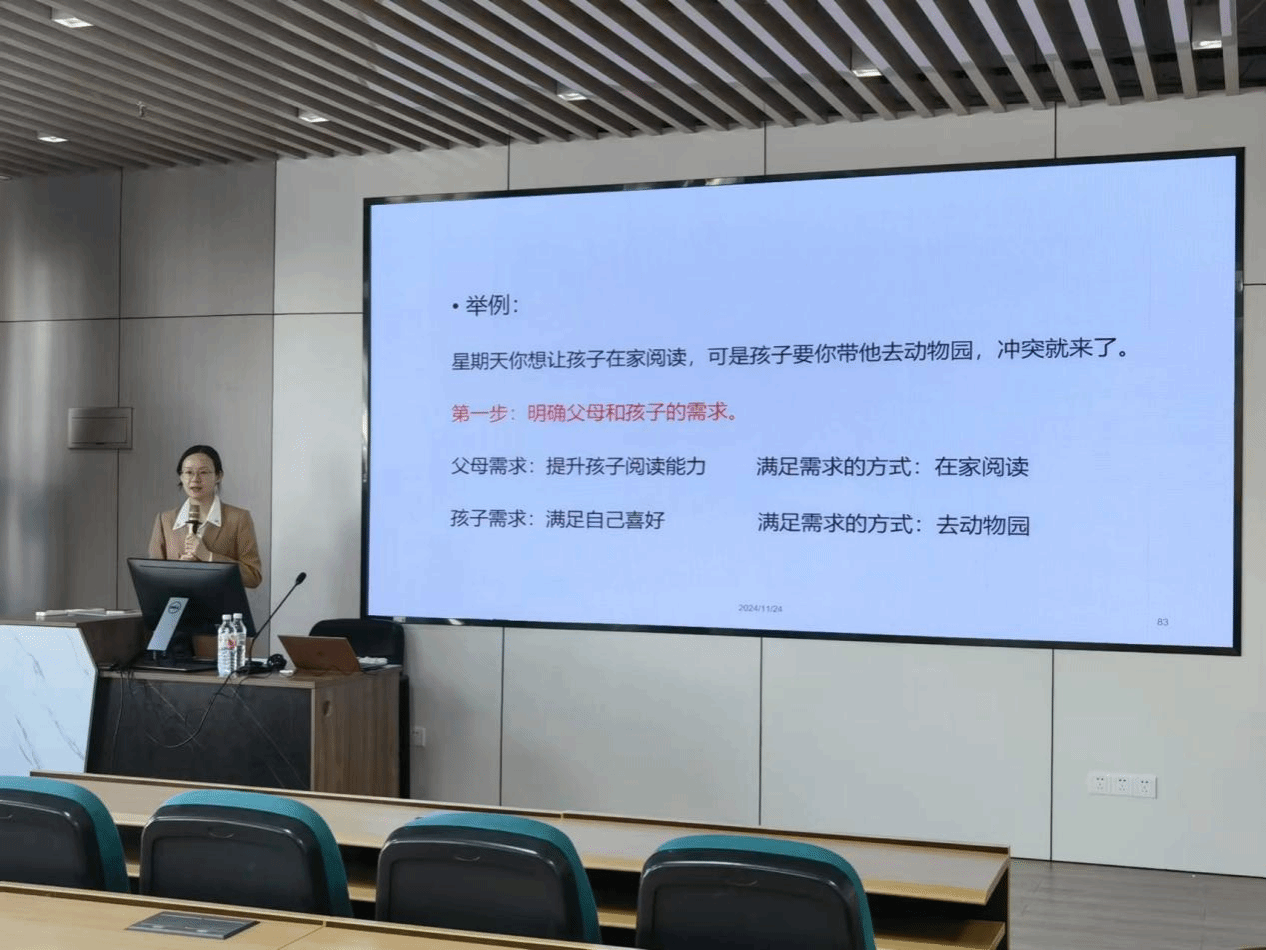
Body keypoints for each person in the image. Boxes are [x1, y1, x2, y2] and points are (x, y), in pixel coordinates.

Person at [148, 444, 263, 589]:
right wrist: (178, 570)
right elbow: (153, 578)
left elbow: (253, 577)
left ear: (218, 476)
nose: (195, 479)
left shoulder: (239, 518)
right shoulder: (165, 520)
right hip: (178, 602)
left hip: (221, 603)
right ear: (181, 476)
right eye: (188, 472)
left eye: (203, 472)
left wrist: (209, 557)